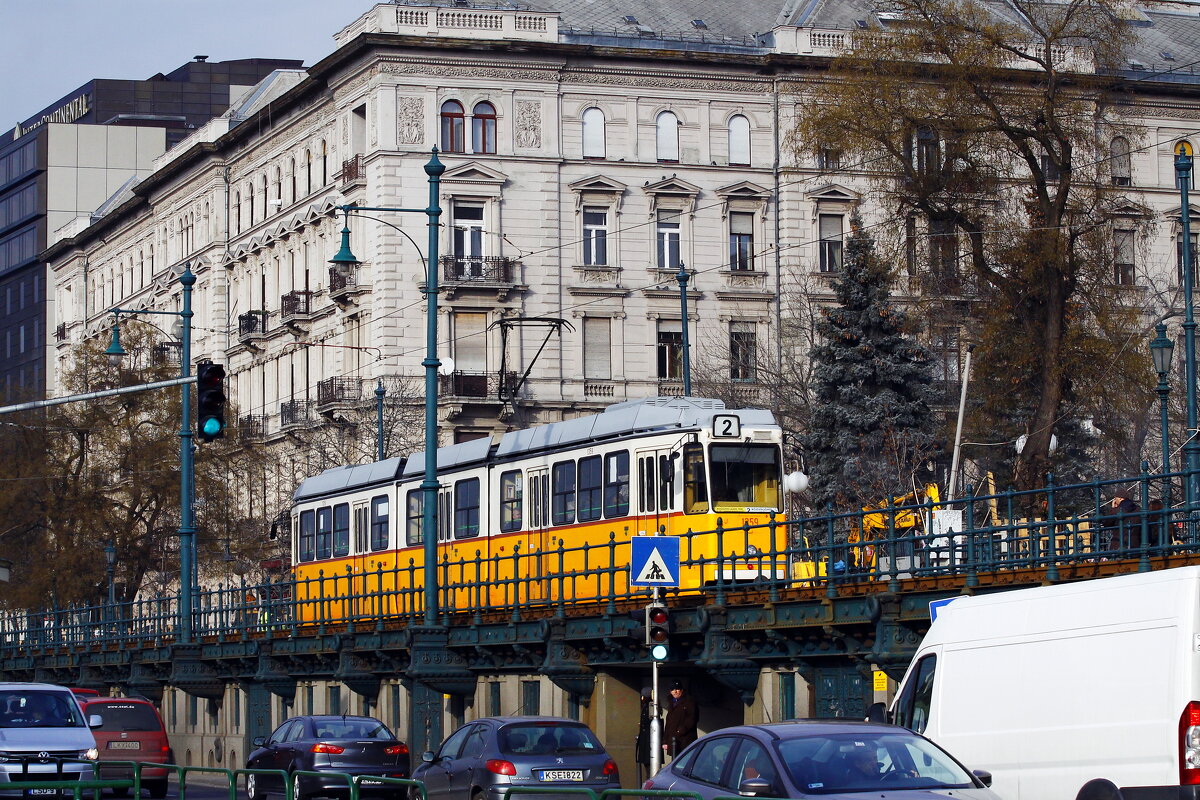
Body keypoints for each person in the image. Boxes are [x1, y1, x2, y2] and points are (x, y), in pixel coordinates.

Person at [662, 680, 698, 760]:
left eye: (677, 689)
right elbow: (668, 723)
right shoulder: (671, 702)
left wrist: (681, 730)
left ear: (681, 690)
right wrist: (665, 740)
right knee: (675, 762)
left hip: (685, 740)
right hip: (674, 740)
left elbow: (692, 718)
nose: (675, 692)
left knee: (685, 762)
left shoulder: (689, 701)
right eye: (672, 689)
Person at [634, 687, 657, 782]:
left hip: (648, 743)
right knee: (647, 768)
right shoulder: (646, 707)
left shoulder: (650, 707)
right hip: (646, 742)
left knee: (650, 769)